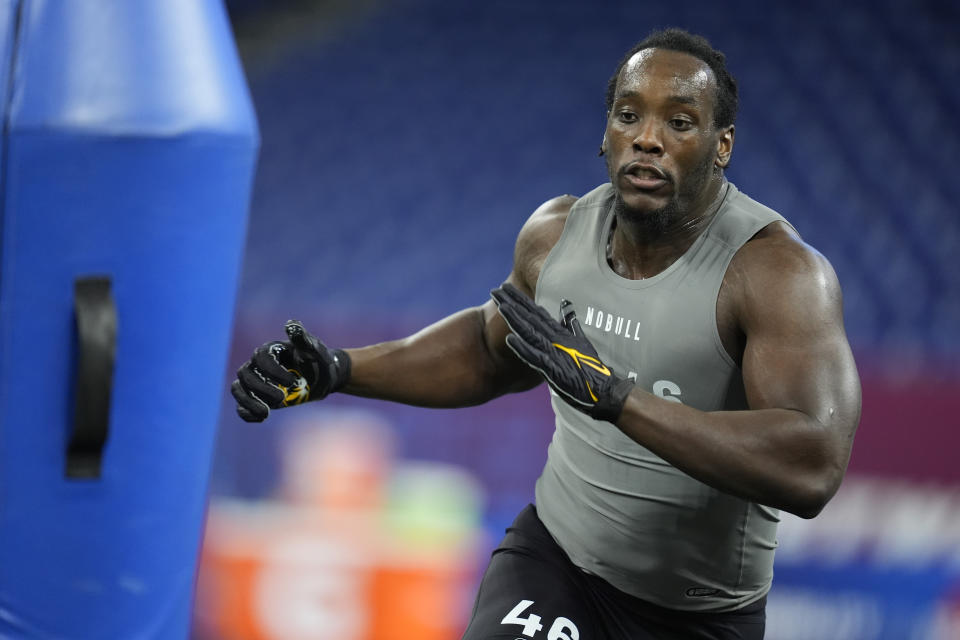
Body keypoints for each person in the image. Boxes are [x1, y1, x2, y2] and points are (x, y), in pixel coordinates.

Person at [232, 27, 861, 640]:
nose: (647, 139)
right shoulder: (556, 236)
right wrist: (339, 370)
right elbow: (487, 351)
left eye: (679, 122)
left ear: (721, 146)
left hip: (700, 614)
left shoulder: (776, 273)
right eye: (627, 115)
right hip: (556, 565)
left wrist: (619, 402)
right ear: (605, 134)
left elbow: (811, 465)